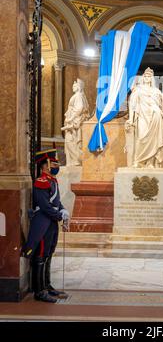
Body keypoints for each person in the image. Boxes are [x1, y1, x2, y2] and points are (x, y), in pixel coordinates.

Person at [23, 149, 69, 303]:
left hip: (51, 222)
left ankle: (47, 285)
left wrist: (63, 209)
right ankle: (39, 291)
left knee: (49, 253)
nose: (56, 165)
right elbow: (44, 205)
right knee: (40, 255)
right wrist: (58, 215)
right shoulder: (41, 181)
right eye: (54, 163)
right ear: (45, 165)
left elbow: (55, 202)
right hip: (43, 222)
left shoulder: (52, 180)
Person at [125, 67, 163, 168]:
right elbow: (132, 104)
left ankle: (150, 163)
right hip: (142, 116)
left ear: (152, 78)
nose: (147, 77)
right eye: (145, 76)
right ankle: (138, 161)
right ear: (142, 78)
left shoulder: (156, 90)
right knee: (141, 137)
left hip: (155, 116)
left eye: (149, 76)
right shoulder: (138, 89)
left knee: (154, 140)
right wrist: (131, 119)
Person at [61, 78, 90, 166]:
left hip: (74, 123)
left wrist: (71, 118)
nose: (72, 87)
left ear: (78, 87)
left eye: (74, 86)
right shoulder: (79, 96)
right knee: (70, 142)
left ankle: (77, 160)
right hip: (73, 123)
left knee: (70, 142)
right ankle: (75, 160)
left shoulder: (78, 96)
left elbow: (80, 108)